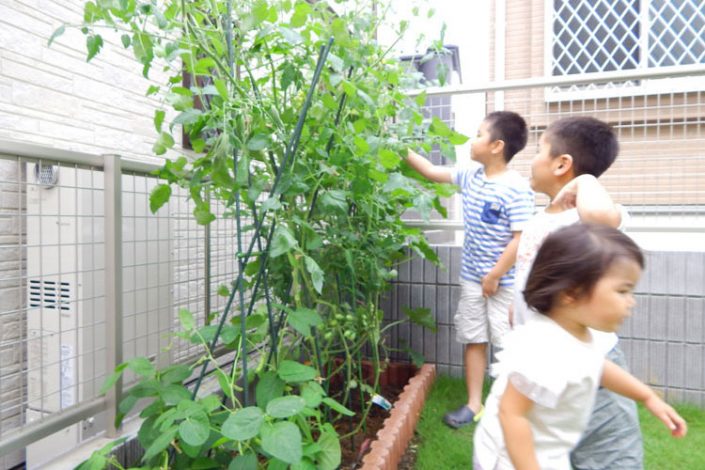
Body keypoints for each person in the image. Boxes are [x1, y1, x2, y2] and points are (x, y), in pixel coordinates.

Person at [474, 223, 687, 470]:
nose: (632, 302)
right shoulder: (543, 349)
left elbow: (599, 367)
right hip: (509, 459)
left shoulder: (577, 331)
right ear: (571, 293)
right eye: (623, 291)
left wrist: (647, 397)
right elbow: (512, 415)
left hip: (546, 451)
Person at [511, 116, 644, 468]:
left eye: (539, 150)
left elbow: (600, 216)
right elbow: (530, 279)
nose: (532, 160)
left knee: (608, 458)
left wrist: (584, 181)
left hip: (593, 373)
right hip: (543, 367)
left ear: (561, 164)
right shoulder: (540, 220)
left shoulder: (586, 221)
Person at [405, 111, 534, 428]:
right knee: (474, 338)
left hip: (503, 283)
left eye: (478, 134)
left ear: (496, 145)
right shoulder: (471, 175)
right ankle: (474, 404)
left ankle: (510, 408)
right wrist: (399, 149)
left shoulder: (516, 188)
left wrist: (493, 276)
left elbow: (520, 239)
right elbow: (433, 172)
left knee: (507, 345)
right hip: (473, 278)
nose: (471, 140)